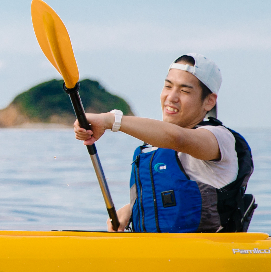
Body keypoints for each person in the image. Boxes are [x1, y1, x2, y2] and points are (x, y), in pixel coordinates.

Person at [73, 54, 255, 233]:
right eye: (168, 86)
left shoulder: (218, 138)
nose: (171, 97)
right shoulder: (153, 146)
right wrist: (133, 209)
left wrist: (111, 120)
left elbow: (178, 139)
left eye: (184, 91)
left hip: (204, 254)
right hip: (157, 252)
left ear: (209, 101)